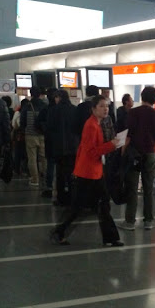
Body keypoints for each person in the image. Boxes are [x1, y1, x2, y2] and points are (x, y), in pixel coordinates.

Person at [50, 95, 123, 246]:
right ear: (93, 109)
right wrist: (112, 145)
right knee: (79, 207)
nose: (105, 109)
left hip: (94, 171)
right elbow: (91, 152)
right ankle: (59, 232)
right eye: (101, 106)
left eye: (107, 106)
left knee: (103, 204)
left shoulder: (97, 123)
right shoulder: (91, 126)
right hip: (87, 173)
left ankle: (110, 238)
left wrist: (111, 144)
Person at [118, 86, 155, 231]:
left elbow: (128, 135)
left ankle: (130, 222)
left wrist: (122, 153)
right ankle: (148, 221)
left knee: (132, 187)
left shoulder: (133, 112)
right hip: (150, 154)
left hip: (134, 154)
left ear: (142, 97)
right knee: (148, 188)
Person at [46, 90, 79, 207]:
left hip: (58, 147)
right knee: (72, 173)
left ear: (59, 98)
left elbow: (49, 129)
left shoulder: (53, 110)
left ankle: (61, 198)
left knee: (60, 174)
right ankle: (73, 197)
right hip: (73, 147)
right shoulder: (74, 109)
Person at [20, 85, 47, 186]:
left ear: (31, 94)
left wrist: (24, 131)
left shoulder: (27, 106)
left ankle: (35, 179)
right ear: (40, 94)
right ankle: (46, 177)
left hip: (30, 135)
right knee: (44, 157)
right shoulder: (44, 106)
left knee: (32, 158)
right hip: (42, 135)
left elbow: (22, 122)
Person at [37, 88, 58, 198]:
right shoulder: (64, 110)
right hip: (62, 142)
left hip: (49, 140)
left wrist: (45, 131)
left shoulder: (45, 110)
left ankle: (49, 187)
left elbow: (38, 123)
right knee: (62, 165)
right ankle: (63, 186)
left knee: (50, 164)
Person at [11, 99, 28, 176]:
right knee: (26, 154)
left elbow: (14, 124)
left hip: (19, 136)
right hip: (28, 135)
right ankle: (25, 170)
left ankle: (17, 169)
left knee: (17, 153)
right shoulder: (29, 111)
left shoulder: (18, 112)